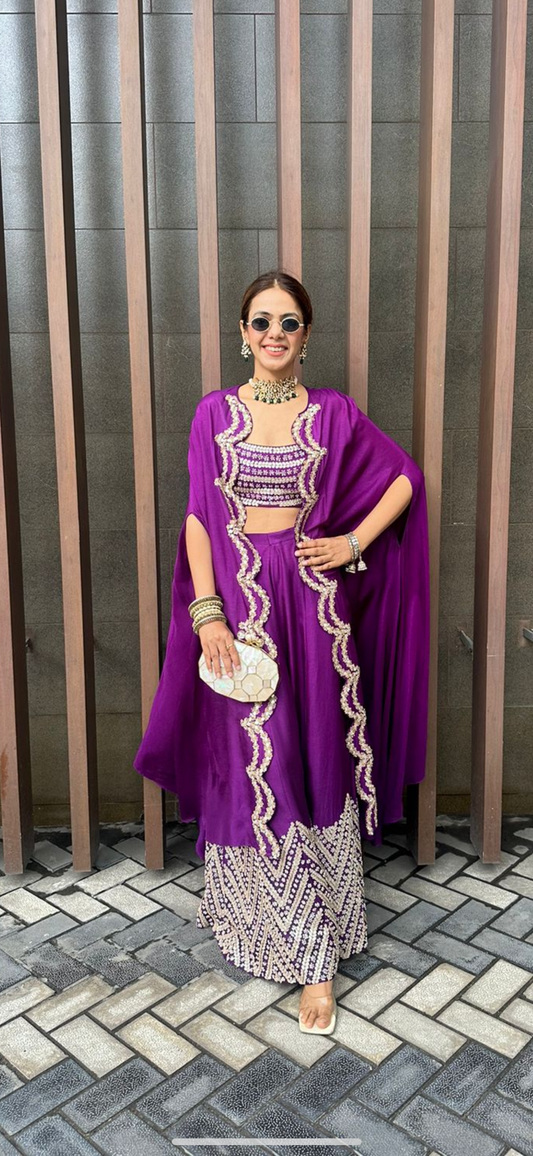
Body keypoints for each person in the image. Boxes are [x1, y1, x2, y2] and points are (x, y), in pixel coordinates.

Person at [133, 269, 430, 1035]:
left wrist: (352, 542)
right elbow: (199, 518)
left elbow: (404, 478)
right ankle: (256, 915)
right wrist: (206, 615)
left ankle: (315, 959)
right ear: (243, 334)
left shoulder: (331, 413)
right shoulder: (213, 413)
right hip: (237, 605)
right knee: (252, 759)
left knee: (309, 756)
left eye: (288, 322)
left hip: (309, 606)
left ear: (305, 336)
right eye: (261, 321)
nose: (274, 333)